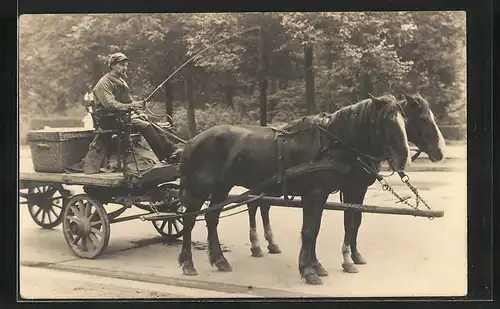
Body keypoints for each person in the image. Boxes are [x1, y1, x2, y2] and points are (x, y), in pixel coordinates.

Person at [88, 52, 181, 170]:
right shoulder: (104, 83)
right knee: (145, 126)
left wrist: (139, 112)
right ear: (112, 66)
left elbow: (128, 102)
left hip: (121, 116)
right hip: (108, 119)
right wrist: (133, 106)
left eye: (126, 65)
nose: (125, 68)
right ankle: (164, 157)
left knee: (153, 125)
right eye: (122, 65)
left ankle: (173, 151)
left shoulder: (121, 82)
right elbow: (110, 105)